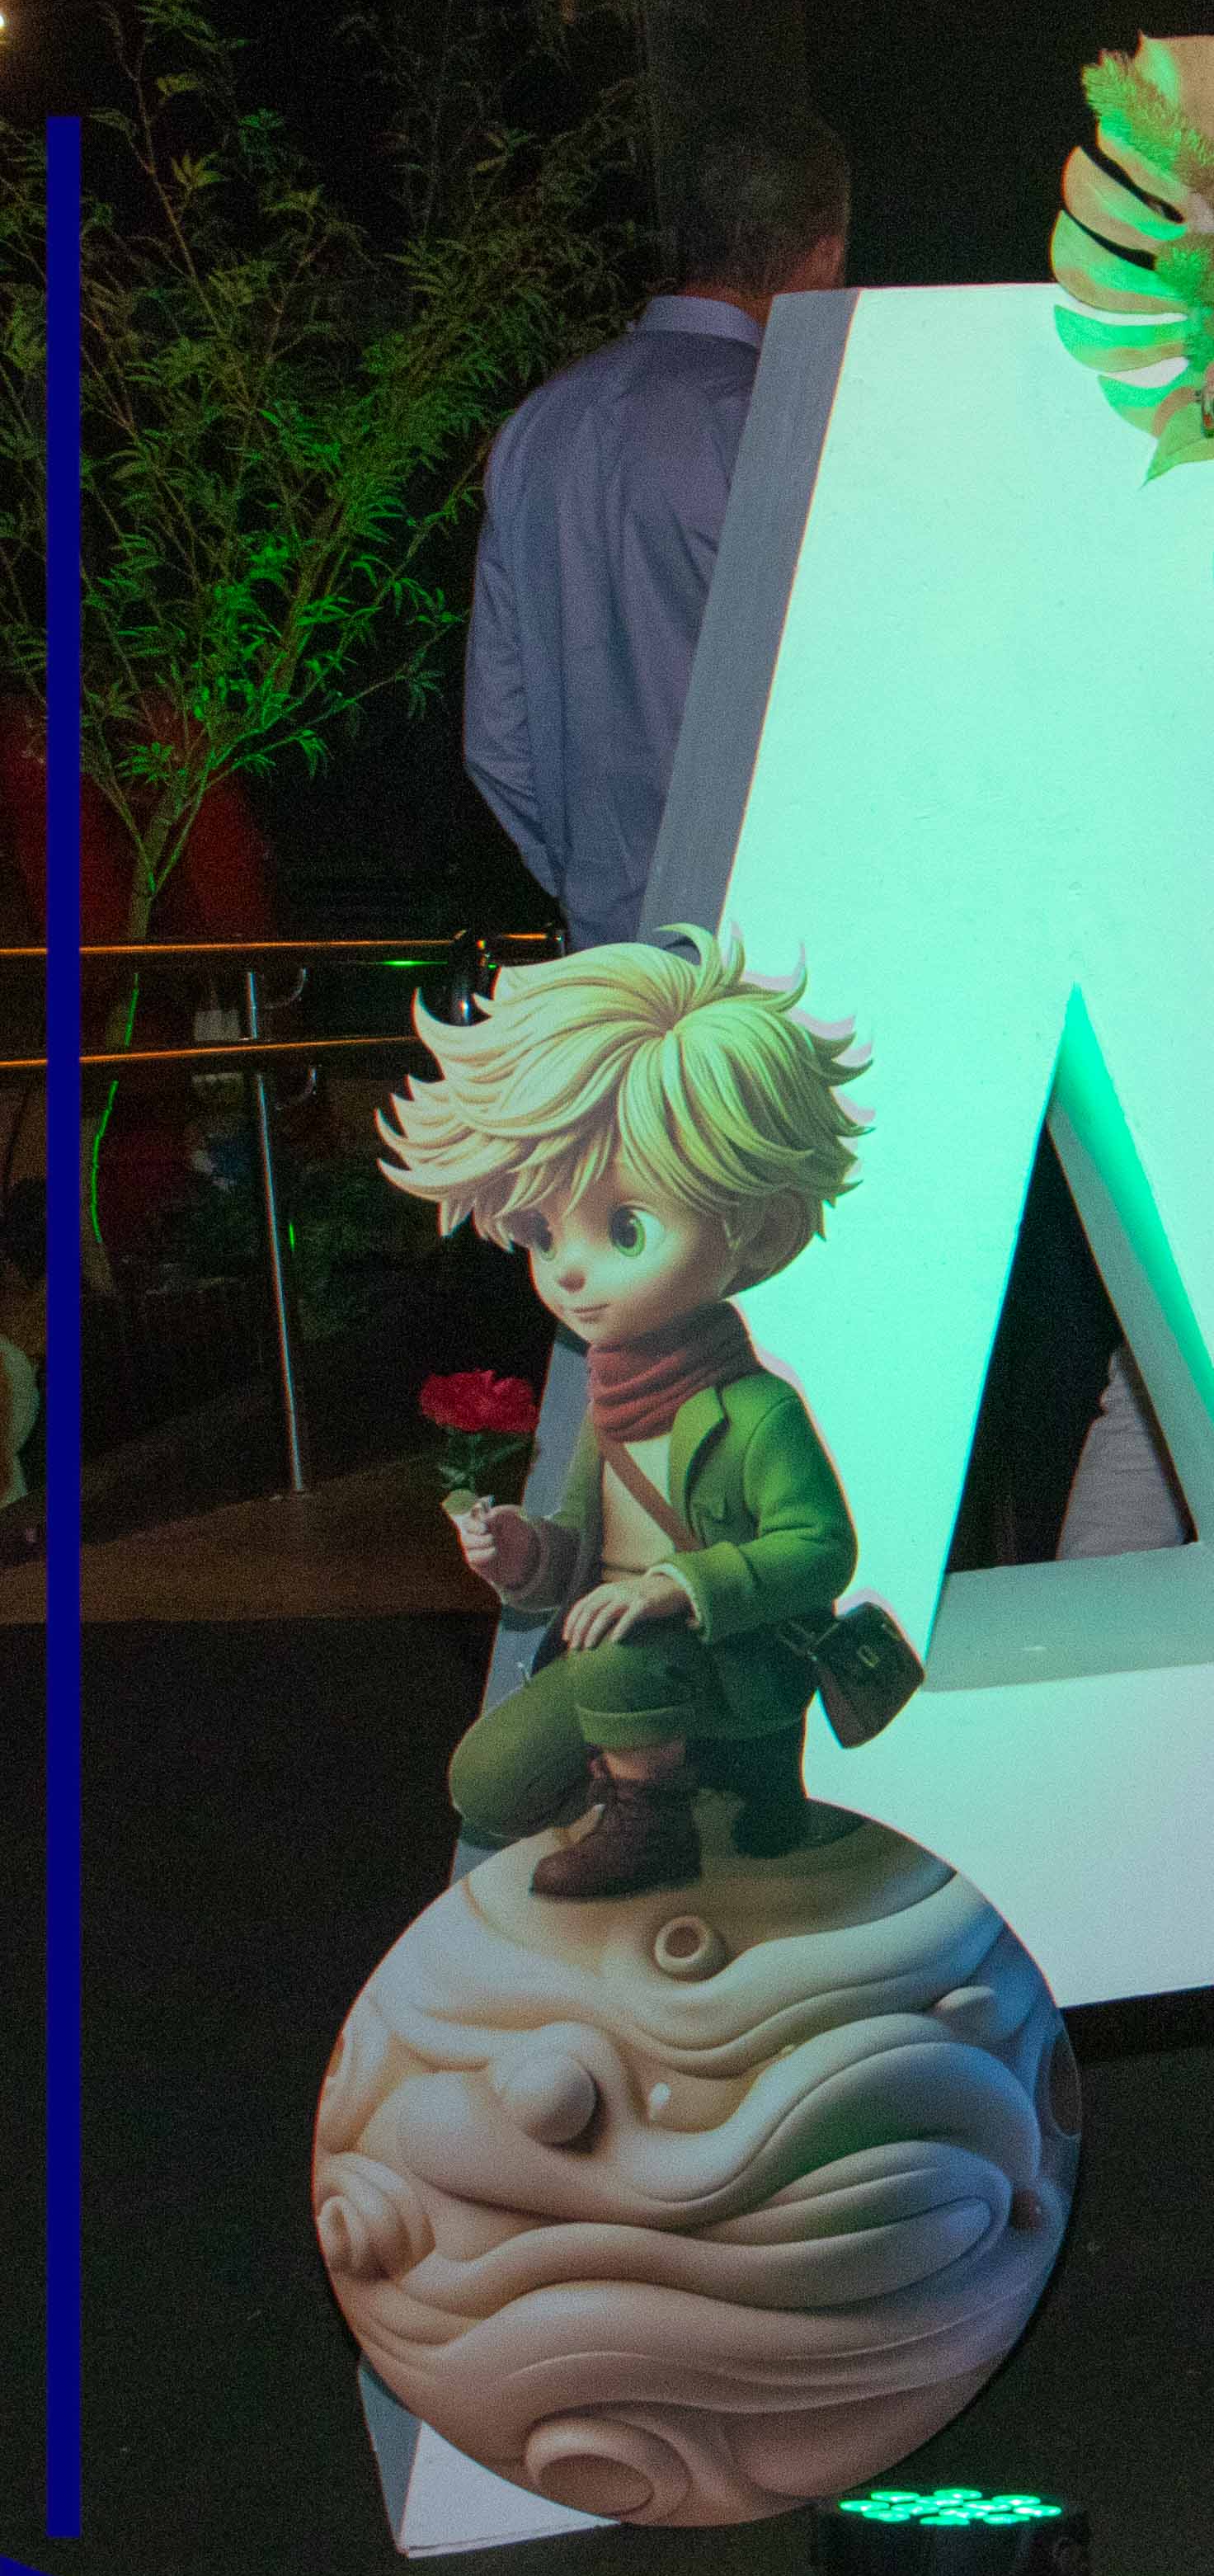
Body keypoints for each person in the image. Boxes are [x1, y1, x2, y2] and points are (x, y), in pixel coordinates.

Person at [381, 938, 873, 1898]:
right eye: (541, 1232)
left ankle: (654, 1827)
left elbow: (821, 1549)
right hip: (629, 1672)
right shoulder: (611, 1404)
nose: (570, 1269)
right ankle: (650, 1780)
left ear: (758, 1228)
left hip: (736, 1667)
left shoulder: (758, 1410)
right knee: (488, 1781)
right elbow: (579, 1551)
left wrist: (674, 1587)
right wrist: (520, 1552)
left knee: (619, 1667)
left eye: (625, 1228)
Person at [464, 109, 852, 954]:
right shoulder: (789, 427)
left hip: (612, 961)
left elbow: (497, 739)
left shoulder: (538, 425)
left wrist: (600, 887)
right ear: (824, 255)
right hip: (775, 951)